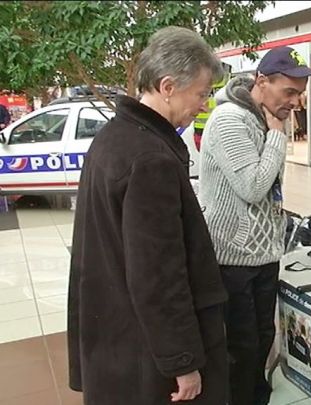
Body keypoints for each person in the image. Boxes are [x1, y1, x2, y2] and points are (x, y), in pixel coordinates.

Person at [67, 26, 228, 404]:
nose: (204, 105)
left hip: (115, 336)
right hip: (147, 355)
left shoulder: (114, 136)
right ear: (168, 86)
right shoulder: (151, 159)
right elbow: (158, 275)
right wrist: (183, 361)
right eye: (202, 93)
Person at [199, 45, 311, 405]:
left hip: (264, 255)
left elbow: (270, 190)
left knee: (262, 342)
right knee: (240, 351)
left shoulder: (264, 119)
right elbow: (253, 187)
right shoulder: (230, 121)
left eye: (300, 94)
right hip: (232, 259)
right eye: (289, 92)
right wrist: (277, 137)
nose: (296, 102)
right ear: (262, 81)